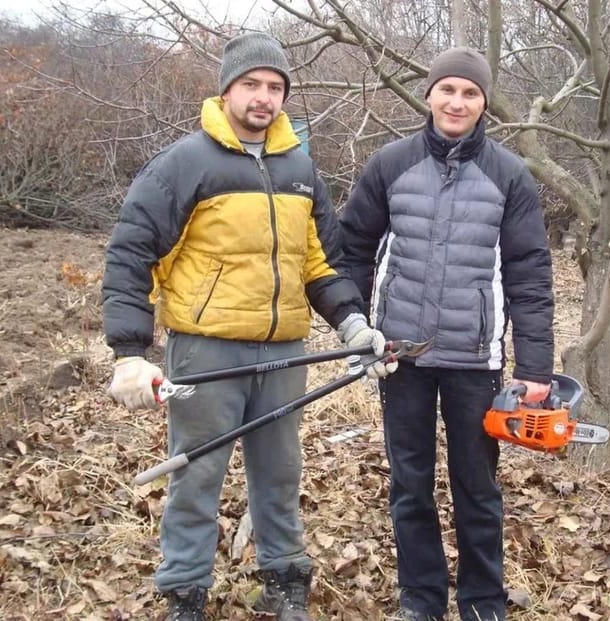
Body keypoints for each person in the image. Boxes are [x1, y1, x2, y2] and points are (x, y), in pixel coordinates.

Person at [102, 32, 394, 621]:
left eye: (275, 87)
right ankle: (184, 593)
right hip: (207, 352)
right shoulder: (187, 163)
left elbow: (320, 262)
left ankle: (284, 582)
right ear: (228, 89)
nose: (264, 97)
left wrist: (353, 324)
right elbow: (132, 253)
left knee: (280, 474)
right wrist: (130, 350)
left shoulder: (301, 169)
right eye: (252, 85)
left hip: (284, 351)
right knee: (196, 472)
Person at [339, 47, 555, 621]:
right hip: (398, 357)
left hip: (474, 362)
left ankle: (483, 601)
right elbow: (352, 250)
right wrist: (357, 327)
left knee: (477, 490)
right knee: (409, 486)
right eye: (448, 90)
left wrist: (533, 369)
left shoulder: (509, 174)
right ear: (429, 95)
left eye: (471, 93)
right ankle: (422, 598)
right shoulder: (390, 163)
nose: (457, 102)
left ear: (484, 103)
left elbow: (529, 275)